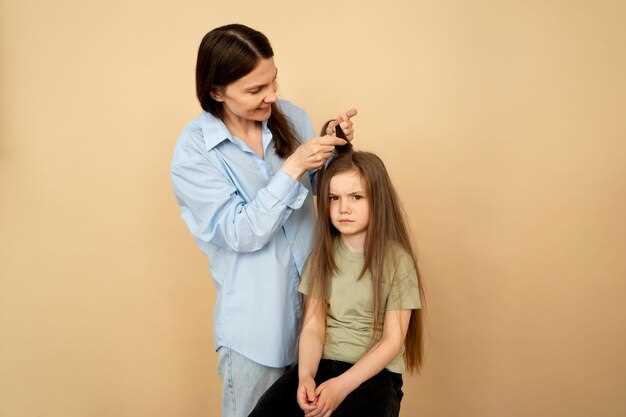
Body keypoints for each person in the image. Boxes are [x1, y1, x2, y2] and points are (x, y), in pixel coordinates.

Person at [169, 23, 357, 417]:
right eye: (255, 90)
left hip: (321, 322)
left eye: (273, 82)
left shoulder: (292, 117)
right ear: (216, 91)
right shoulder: (194, 153)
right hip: (257, 334)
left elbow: (324, 199)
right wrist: (291, 169)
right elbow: (240, 232)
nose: (271, 96)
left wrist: (333, 147)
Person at [249, 150, 424, 417]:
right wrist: (306, 376)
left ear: (378, 200)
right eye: (334, 198)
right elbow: (313, 326)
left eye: (356, 197)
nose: (343, 208)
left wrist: (341, 387)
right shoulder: (322, 256)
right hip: (322, 364)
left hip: (374, 375)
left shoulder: (397, 261)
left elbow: (392, 341)